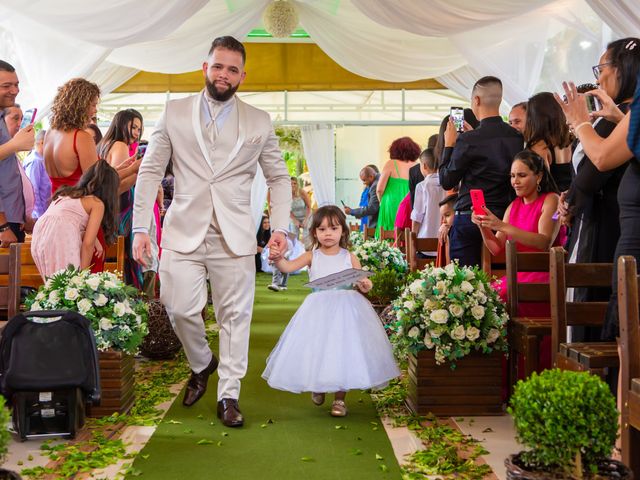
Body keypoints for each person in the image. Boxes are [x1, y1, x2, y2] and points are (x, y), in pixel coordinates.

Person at [131, 36, 291, 428]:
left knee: (235, 317)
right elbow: (151, 170)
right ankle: (202, 362)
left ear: (242, 76)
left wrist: (281, 227)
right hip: (183, 229)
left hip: (234, 234)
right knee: (178, 306)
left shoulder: (259, 121)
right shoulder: (173, 111)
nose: (224, 74)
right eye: (218, 66)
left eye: (233, 69)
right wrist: (140, 227)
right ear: (205, 67)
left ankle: (229, 395)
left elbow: (279, 177)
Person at [262, 206, 400, 417]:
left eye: (333, 228)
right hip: (318, 310)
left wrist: (364, 284)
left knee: (343, 351)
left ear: (343, 232)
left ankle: (339, 399)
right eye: (322, 229)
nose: (328, 233)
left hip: (347, 309)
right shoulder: (311, 256)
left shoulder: (349, 257)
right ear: (314, 233)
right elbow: (288, 267)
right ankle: (318, 386)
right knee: (319, 348)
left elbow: (364, 283)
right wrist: (278, 258)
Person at [560, 38, 640, 312]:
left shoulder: (626, 113)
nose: (599, 77)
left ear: (622, 68)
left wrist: (580, 121)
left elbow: (600, 161)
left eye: (601, 67)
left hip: (616, 226)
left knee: (622, 321)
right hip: (620, 222)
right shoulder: (624, 115)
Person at [439, 76, 524, 267]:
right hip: (504, 218)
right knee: (503, 278)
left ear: (476, 100)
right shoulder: (517, 137)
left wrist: (449, 145)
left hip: (470, 217)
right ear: (499, 100)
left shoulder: (469, 140)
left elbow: (447, 180)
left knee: (464, 283)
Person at [472, 151, 566, 315]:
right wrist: (483, 225)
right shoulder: (513, 206)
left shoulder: (551, 200)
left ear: (539, 177)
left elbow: (544, 242)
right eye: (512, 176)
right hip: (518, 274)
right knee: (480, 297)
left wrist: (501, 225)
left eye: (521, 175)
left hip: (545, 272)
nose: (515, 181)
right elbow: (496, 248)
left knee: (494, 299)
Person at [31, 161, 119, 279]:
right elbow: (88, 244)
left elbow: (65, 222)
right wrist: (82, 277)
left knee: (54, 284)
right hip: (61, 234)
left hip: (40, 232)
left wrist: (94, 241)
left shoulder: (65, 193)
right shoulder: (97, 203)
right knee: (71, 284)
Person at [98, 109, 147, 289]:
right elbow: (115, 187)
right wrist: (138, 171)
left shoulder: (105, 144)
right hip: (119, 213)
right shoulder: (120, 145)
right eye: (133, 127)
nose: (136, 132)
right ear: (121, 124)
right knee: (123, 263)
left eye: (139, 129)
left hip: (109, 212)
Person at [0, 61, 34, 247]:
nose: (14, 90)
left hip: (13, 219)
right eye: (7, 86)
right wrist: (3, 226)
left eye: (16, 84)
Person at [524, 92, 573, 191]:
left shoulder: (538, 146)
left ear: (534, 118)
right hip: (577, 198)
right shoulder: (574, 139)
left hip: (554, 202)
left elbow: (541, 183)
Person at [376, 137, 420, 238]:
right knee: (406, 233)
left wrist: (381, 202)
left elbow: (379, 189)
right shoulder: (418, 166)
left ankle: (388, 252)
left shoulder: (391, 163)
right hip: (409, 203)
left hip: (390, 202)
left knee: (387, 233)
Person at [411, 148, 446, 257]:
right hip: (445, 241)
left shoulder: (422, 186)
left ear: (424, 166)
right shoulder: (448, 184)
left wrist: (413, 240)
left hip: (425, 242)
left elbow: (417, 216)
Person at [23, 129, 51, 219]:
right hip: (39, 214)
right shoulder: (35, 161)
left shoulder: (40, 159)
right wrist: (41, 215)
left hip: (44, 210)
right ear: (42, 143)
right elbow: (33, 190)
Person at [344, 165, 380, 229]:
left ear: (371, 176)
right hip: (365, 216)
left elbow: (372, 208)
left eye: (364, 180)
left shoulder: (375, 185)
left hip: (373, 220)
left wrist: (352, 211)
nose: (364, 183)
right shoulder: (373, 184)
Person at [435, 192, 457, 267]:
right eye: (442, 217)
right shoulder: (446, 232)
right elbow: (448, 267)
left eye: (447, 215)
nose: (443, 221)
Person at [289, 176, 312, 241]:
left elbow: (309, 207)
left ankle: (307, 249)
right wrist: (294, 220)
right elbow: (287, 210)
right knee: (293, 236)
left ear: (297, 184)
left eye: (294, 183)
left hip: (306, 215)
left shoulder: (302, 192)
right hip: (294, 217)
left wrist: (306, 219)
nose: (292, 185)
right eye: (290, 183)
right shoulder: (286, 195)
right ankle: (295, 250)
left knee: (306, 236)